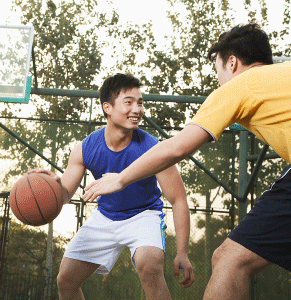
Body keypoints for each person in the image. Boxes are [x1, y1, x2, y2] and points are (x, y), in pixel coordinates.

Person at [82, 24, 291, 300]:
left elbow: (177, 147)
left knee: (230, 261)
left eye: (218, 71)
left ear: (232, 62)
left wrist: (120, 178)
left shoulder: (243, 83)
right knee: (230, 259)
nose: (219, 81)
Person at [29, 73, 194, 300]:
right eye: (128, 102)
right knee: (65, 280)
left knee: (150, 266)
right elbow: (64, 193)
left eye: (140, 103)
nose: (137, 109)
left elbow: (178, 199)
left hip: (143, 215)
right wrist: (49, 184)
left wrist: (183, 252)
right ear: (107, 107)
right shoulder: (85, 148)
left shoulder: (153, 148)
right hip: (105, 217)